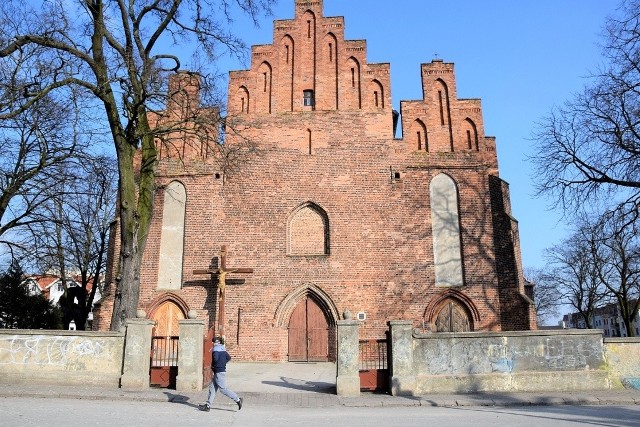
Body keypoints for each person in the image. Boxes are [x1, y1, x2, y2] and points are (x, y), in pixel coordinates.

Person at [199, 337, 243, 412]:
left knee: (223, 389)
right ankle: (208, 405)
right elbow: (228, 358)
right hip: (219, 371)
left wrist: (214, 366)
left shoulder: (215, 350)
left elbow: (215, 359)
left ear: (215, 342)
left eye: (213, 342)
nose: (212, 344)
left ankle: (238, 399)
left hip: (218, 372)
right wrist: (222, 363)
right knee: (212, 388)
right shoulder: (223, 349)